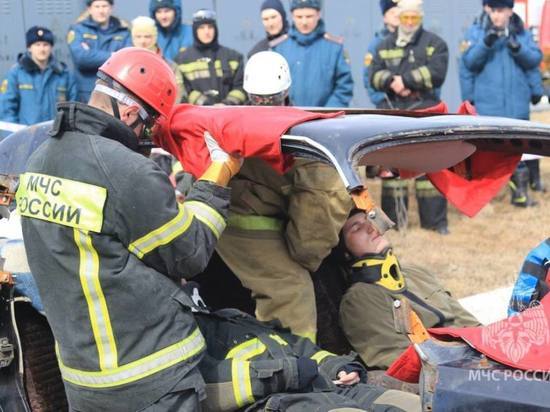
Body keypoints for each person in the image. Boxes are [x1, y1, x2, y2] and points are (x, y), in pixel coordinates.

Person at [15, 47, 242, 411]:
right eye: (150, 124)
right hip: (152, 373)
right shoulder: (126, 169)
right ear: (131, 111)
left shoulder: (40, 160)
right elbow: (190, 253)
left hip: (83, 378)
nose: (149, 134)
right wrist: (217, 177)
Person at [214, 50, 354, 343]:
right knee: (291, 291)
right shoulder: (312, 142)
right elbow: (317, 220)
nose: (264, 106)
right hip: (242, 222)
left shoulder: (306, 136)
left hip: (253, 216)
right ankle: (293, 367)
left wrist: (306, 252)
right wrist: (304, 257)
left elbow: (319, 210)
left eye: (269, 99)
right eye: (259, 99)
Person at [180, 282, 422, 411]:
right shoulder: (181, 337)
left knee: (417, 406)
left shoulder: (235, 318)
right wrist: (290, 373)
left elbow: (302, 349)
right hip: (278, 403)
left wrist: (339, 367)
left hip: (329, 388)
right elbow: (202, 385)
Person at [338, 209, 480, 370]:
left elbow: (470, 324)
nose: (371, 228)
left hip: (474, 358)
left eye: (370, 220)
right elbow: (399, 359)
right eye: (356, 228)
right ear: (344, 252)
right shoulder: (360, 299)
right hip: (447, 370)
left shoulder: (415, 272)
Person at [369, 0, 450, 234]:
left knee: (430, 167)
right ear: (399, 18)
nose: (410, 23)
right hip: (394, 109)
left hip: (426, 109)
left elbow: (437, 72)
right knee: (393, 167)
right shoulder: (383, 45)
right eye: (406, 18)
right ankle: (395, 222)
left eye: (415, 18)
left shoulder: (435, 43)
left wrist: (406, 80)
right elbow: (373, 74)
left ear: (420, 18)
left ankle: (435, 223)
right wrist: (390, 82)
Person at [460, 0, 544, 207]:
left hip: (517, 103)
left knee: (519, 150)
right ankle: (486, 196)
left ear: (509, 11)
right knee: (489, 152)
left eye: (501, 11)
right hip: (489, 104)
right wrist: (486, 44)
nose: (497, 16)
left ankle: (520, 194)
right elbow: (468, 63)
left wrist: (518, 48)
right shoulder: (476, 31)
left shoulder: (521, 31)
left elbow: (534, 59)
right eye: (493, 11)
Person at [273, 0, 353, 107]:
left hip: (326, 120)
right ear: (292, 16)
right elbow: (272, 89)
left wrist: (327, 115)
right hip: (289, 119)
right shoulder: (279, 47)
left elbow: (344, 87)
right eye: (299, 17)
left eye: (309, 16)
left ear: (318, 14)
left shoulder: (334, 48)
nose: (304, 22)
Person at [0, 26, 77, 125]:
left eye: (45, 45)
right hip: (27, 136)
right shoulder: (16, 73)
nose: (42, 49)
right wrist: (16, 136)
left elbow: (73, 109)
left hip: (57, 136)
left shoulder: (64, 74)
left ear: (51, 47)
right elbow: (7, 109)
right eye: (37, 44)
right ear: (29, 47)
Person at [175, 9, 247, 106]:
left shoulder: (233, 57)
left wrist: (226, 104)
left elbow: (241, 87)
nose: (206, 32)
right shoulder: (182, 60)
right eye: (201, 27)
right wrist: (207, 105)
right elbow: (184, 90)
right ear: (195, 30)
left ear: (215, 29)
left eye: (210, 27)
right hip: (198, 117)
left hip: (230, 115)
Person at [67, 0, 131, 102]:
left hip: (115, 93)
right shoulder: (78, 29)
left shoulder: (123, 32)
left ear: (111, 8)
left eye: (104, 6)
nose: (101, 11)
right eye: (97, 6)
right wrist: (113, 55)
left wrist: (91, 54)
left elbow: (126, 61)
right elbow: (81, 58)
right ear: (89, 9)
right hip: (86, 94)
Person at [131, 15, 185, 102]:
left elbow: (177, 95)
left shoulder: (170, 66)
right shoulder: (126, 63)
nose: (143, 41)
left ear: (155, 37)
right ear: (133, 38)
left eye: (147, 36)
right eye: (138, 37)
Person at [364, 0, 401, 107]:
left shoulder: (417, 40)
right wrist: (381, 100)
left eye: (399, 12)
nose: (396, 16)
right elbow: (368, 76)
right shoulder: (376, 44)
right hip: (387, 105)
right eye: (392, 13)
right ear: (385, 18)